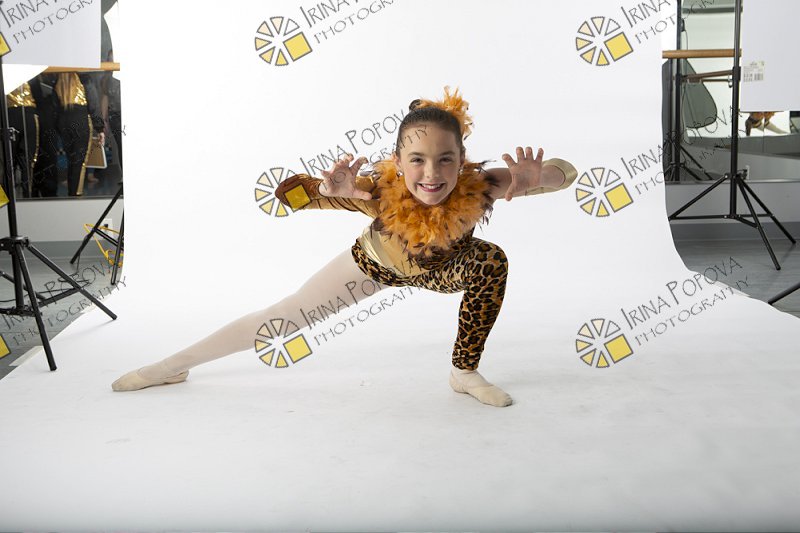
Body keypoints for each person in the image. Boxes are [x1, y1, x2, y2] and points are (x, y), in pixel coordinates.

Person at [111, 87, 577, 407]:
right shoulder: (376, 189)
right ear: (398, 162)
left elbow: (567, 173)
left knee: (491, 261)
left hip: (443, 271)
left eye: (445, 160)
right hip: (372, 265)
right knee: (280, 320)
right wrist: (324, 189)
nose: (432, 174)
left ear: (462, 160)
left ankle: (464, 372)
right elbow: (288, 197)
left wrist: (539, 178)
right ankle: (171, 367)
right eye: (417, 160)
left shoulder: (484, 184)